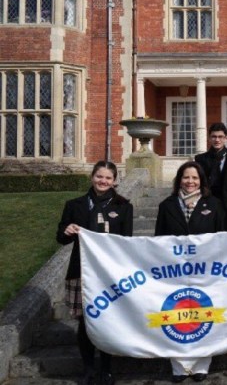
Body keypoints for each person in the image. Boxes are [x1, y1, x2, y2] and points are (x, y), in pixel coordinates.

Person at [56, 161, 133, 385]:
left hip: (108, 273)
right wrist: (67, 230)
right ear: (92, 177)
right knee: (83, 321)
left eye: (108, 178)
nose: (103, 181)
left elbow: (125, 242)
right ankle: (88, 367)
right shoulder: (75, 205)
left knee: (107, 319)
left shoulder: (123, 206)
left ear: (115, 180)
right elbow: (60, 238)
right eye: (100, 176)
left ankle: (107, 369)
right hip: (80, 269)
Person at [154, 161, 226, 383]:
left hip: (205, 273)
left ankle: (202, 365)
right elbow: (158, 241)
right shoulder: (166, 205)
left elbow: (223, 239)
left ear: (201, 181)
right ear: (179, 180)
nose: (190, 182)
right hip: (174, 272)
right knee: (176, 317)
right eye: (186, 177)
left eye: (195, 178)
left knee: (204, 316)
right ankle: (178, 366)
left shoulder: (214, 204)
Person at [194, 122, 227, 200]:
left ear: (226, 138)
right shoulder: (200, 159)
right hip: (206, 201)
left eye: (220, 137)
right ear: (209, 138)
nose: (217, 140)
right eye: (214, 136)